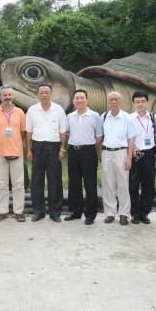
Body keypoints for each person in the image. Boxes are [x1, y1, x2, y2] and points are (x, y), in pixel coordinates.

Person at [26, 83, 67, 222]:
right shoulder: (32, 110)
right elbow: (29, 132)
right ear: (37, 94)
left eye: (46, 92)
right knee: (37, 180)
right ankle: (38, 211)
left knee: (54, 179)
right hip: (37, 147)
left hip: (54, 147)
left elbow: (63, 131)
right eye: (41, 92)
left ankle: (55, 212)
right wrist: (29, 149)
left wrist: (62, 148)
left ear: (51, 94)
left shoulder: (58, 109)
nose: (44, 95)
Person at [64, 90, 103, 225]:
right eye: (77, 98)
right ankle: (75, 211)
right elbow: (67, 133)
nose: (79, 100)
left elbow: (99, 136)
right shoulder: (70, 116)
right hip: (73, 151)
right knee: (74, 183)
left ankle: (91, 214)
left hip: (89, 152)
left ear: (87, 100)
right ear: (73, 100)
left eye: (82, 98)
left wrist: (90, 147)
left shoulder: (94, 115)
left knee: (90, 183)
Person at [0, 85, 27, 222]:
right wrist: (1, 142)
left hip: (16, 152)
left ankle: (19, 212)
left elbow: (23, 132)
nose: (7, 98)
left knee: (18, 184)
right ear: (0, 97)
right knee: (1, 185)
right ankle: (3, 211)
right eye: (4, 95)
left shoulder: (20, 112)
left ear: (12, 96)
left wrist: (15, 142)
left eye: (9, 95)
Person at [100, 91, 137, 225]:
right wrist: (100, 154)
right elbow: (101, 137)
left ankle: (124, 214)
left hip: (122, 152)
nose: (114, 102)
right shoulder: (103, 117)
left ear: (121, 101)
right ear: (108, 102)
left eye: (116, 99)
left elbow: (131, 139)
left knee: (123, 184)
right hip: (106, 153)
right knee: (107, 183)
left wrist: (129, 158)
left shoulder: (127, 118)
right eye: (111, 100)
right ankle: (110, 213)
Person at [127, 90, 156, 225]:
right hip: (135, 154)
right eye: (137, 102)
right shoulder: (129, 118)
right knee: (133, 186)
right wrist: (132, 151)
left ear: (147, 102)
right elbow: (126, 137)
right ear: (133, 103)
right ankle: (135, 213)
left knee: (149, 186)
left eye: (142, 101)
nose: (140, 104)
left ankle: (144, 213)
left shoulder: (154, 118)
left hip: (149, 153)